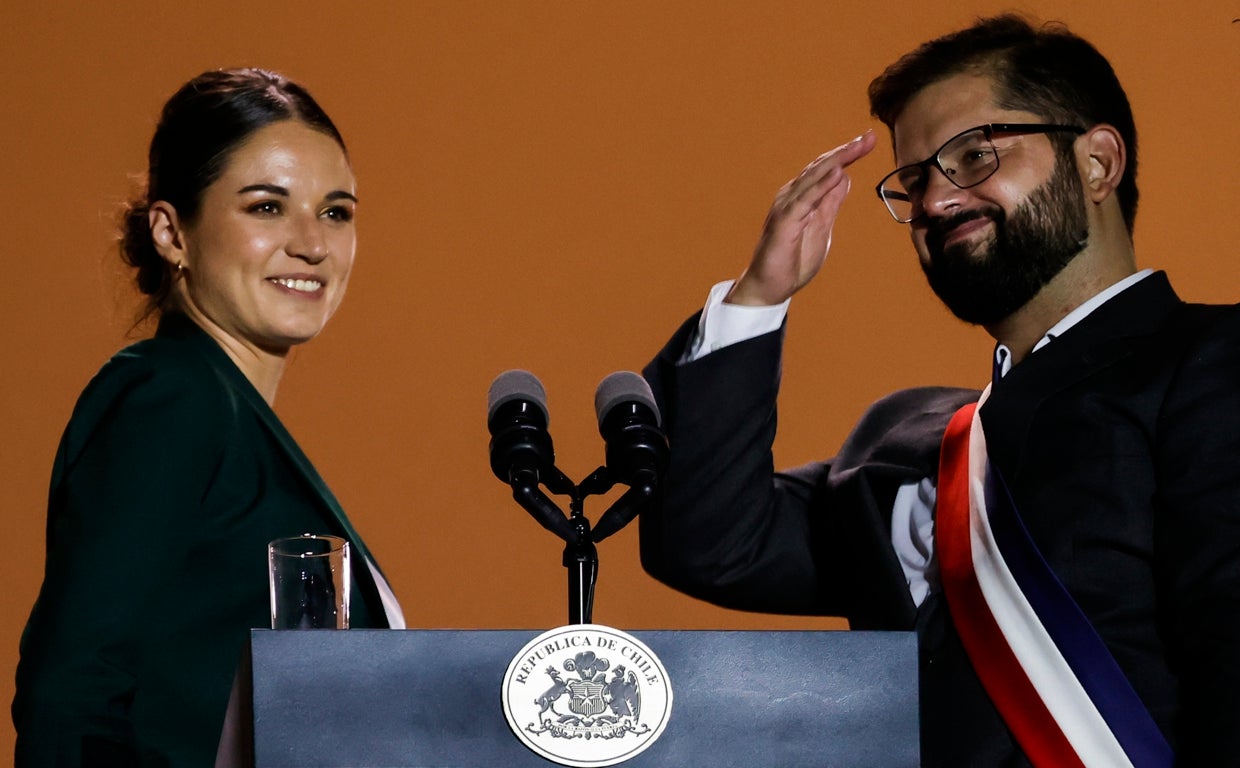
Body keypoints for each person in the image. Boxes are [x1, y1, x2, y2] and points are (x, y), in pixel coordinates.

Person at [639, 14, 1239, 766]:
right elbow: (711, 544)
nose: (934, 201)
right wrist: (759, 295)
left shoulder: (1213, 363)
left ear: (1097, 163)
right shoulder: (917, 445)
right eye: (916, 178)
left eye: (975, 156)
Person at [13, 68, 405, 766]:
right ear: (172, 233)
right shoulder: (171, 398)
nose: (312, 244)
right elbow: (73, 690)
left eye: (336, 211)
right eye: (266, 207)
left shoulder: (224, 411)